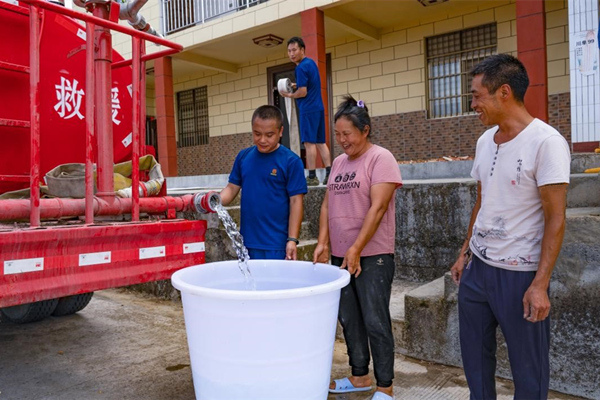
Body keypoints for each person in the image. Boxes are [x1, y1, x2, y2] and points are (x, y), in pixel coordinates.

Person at [450, 54, 570, 400]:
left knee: (528, 371)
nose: (473, 104)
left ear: (504, 92)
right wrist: (464, 254)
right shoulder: (485, 142)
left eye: (476, 95)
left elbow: (556, 217)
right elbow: (482, 202)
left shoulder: (546, 143)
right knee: (475, 362)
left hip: (519, 275)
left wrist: (541, 284)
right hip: (478, 270)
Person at [313, 95, 402, 400]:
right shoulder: (338, 162)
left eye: (347, 134)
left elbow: (378, 208)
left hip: (373, 255)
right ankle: (359, 376)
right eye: (337, 135)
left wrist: (356, 248)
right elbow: (327, 204)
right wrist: (323, 243)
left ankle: (385, 387)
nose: (341, 141)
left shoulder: (381, 158)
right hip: (341, 254)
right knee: (349, 318)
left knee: (375, 320)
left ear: (365, 130)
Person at [218, 105, 307, 260]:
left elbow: (296, 202)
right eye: (257, 134)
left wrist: (292, 239)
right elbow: (232, 188)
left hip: (277, 244)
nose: (262, 140)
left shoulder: (291, 162)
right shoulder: (244, 157)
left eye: (269, 135)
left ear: (280, 132)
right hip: (247, 243)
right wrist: (214, 201)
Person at [280, 36, 332, 186]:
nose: (291, 54)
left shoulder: (300, 67)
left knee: (309, 144)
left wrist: (289, 95)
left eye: (294, 50)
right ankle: (329, 174)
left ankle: (312, 177)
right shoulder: (310, 63)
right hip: (318, 107)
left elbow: (303, 92)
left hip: (308, 109)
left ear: (302, 50)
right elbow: (308, 84)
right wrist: (297, 85)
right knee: (321, 142)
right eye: (289, 51)